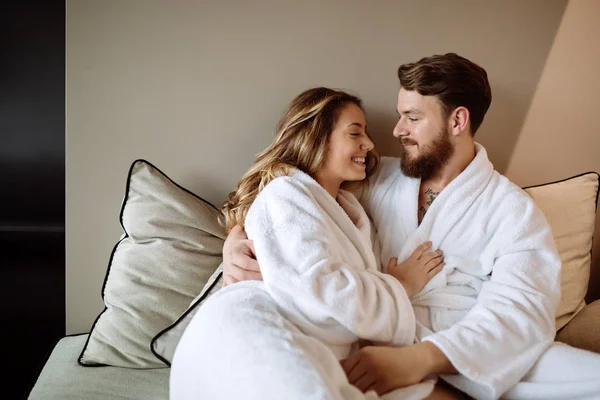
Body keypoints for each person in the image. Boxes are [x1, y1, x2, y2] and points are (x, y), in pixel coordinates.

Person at [222, 53, 600, 400]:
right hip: (378, 333)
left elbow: (522, 310)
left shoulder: (514, 210)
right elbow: (297, 197)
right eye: (401, 116)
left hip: (472, 349)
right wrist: (237, 237)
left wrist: (421, 359)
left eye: (413, 118)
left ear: (458, 121)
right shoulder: (375, 177)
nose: (397, 130)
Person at [170, 87, 447, 400]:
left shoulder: (353, 215)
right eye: (355, 133)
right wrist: (399, 285)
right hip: (254, 323)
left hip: (311, 342)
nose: (369, 145)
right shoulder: (284, 193)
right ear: (315, 137)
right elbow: (319, 290)